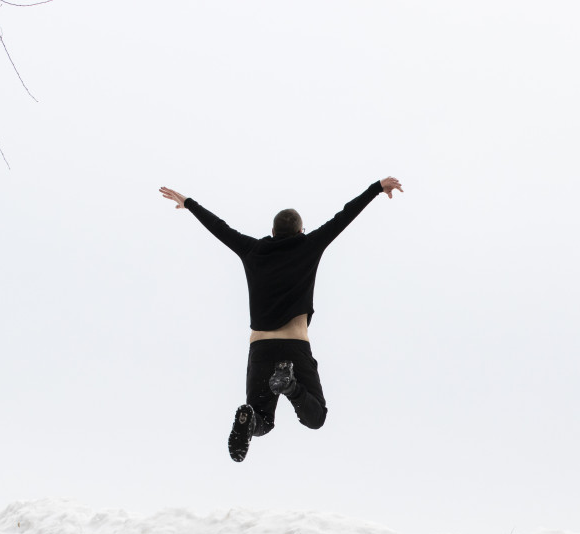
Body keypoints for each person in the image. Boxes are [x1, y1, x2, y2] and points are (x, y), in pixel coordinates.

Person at [158, 176, 403, 461]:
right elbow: (344, 216)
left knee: (261, 420)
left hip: (261, 348)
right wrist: (376, 188)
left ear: (272, 231)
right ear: (301, 230)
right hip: (295, 347)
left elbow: (219, 228)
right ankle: (290, 386)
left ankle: (249, 421)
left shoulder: (252, 250)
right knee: (316, 418)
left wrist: (188, 203)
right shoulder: (309, 245)